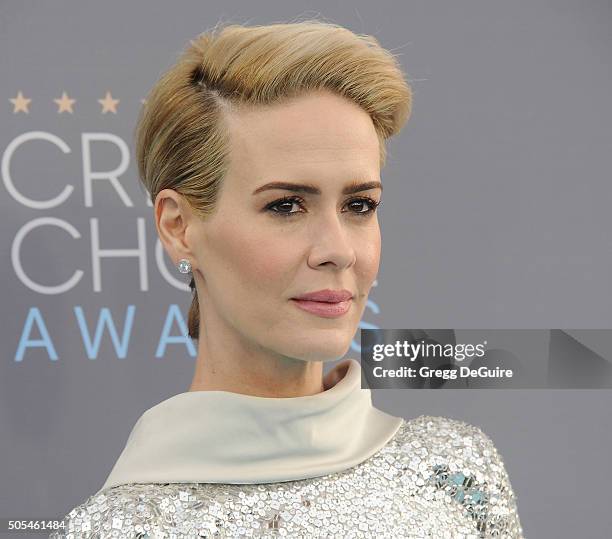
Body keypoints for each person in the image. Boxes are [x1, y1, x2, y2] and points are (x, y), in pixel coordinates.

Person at [51, 19, 523, 538]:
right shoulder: (125, 528)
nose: (338, 250)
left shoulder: (454, 471)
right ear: (178, 226)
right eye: (286, 206)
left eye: (359, 205)